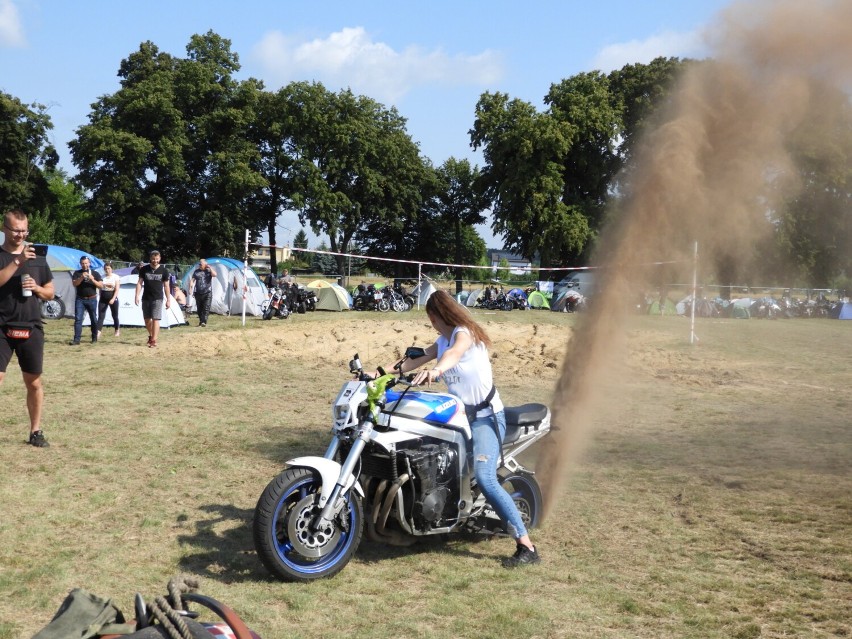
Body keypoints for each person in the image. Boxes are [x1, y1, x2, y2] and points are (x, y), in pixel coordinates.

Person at [382, 289, 540, 567]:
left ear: (439, 315)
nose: (430, 322)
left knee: (485, 476)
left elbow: (454, 355)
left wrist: (437, 371)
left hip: (486, 418)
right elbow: (412, 361)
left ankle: (526, 546)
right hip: (459, 418)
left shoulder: (463, 334)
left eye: (431, 317)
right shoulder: (440, 341)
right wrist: (377, 373)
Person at [0, 209, 55, 447]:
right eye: (16, 230)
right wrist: (17, 261)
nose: (20, 235)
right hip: (1, 326)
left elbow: (50, 292)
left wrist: (37, 289)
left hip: (31, 326)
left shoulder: (38, 260)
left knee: (33, 382)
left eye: (24, 230)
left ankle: (35, 431)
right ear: (4, 229)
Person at [134, 250, 171, 347]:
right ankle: (151, 335)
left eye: (157, 259)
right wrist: (136, 295)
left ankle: (154, 340)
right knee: (147, 320)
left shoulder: (164, 271)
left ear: (160, 259)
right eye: (153, 259)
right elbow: (139, 283)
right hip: (146, 298)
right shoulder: (144, 269)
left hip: (158, 298)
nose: (155, 260)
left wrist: (169, 300)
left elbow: (166, 286)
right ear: (150, 258)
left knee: (155, 319)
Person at [70, 255, 103, 345]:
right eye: (83, 263)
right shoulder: (77, 273)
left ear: (89, 263)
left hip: (92, 299)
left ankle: (94, 338)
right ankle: (76, 340)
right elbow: (74, 284)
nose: (85, 265)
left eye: (86, 263)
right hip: (80, 299)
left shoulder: (95, 273)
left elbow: (101, 285)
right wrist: (81, 277)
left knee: (93, 319)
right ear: (80, 264)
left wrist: (92, 279)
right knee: (78, 319)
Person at [95, 261, 121, 338]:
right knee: (101, 316)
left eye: (109, 268)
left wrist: (113, 299)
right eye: (106, 269)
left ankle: (117, 329)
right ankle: (98, 331)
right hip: (103, 298)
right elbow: (100, 288)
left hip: (112, 297)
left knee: (115, 315)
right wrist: (100, 296)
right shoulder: (102, 277)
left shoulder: (116, 277)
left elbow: (117, 289)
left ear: (112, 269)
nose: (107, 270)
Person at [187, 258, 216, 327]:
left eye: (201, 264)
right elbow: (192, 280)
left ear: (205, 265)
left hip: (207, 292)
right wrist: (190, 288)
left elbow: (215, 275)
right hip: (198, 292)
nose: (200, 265)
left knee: (206, 308)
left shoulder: (209, 271)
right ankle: (201, 321)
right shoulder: (196, 272)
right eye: (199, 264)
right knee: (199, 309)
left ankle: (204, 322)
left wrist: (210, 268)